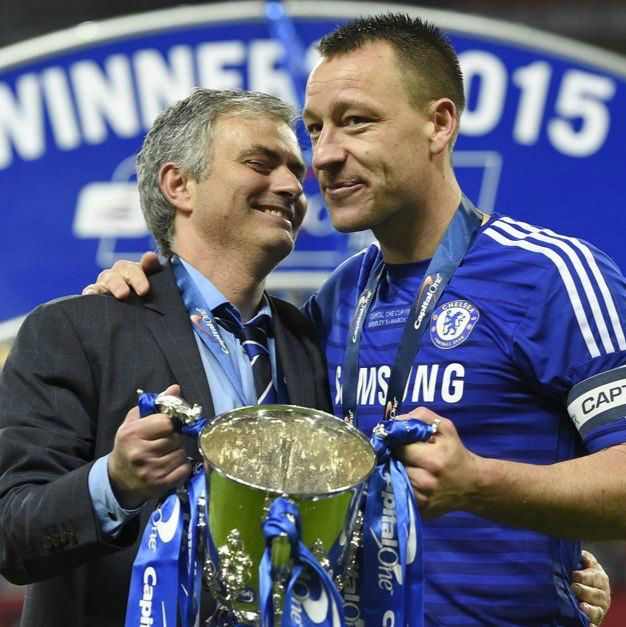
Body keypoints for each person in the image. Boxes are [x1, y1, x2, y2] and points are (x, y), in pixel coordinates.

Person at [89, 13, 625, 626]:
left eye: (356, 121)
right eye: (316, 128)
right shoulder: (335, 302)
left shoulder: (550, 276)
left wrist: (480, 483)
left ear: (439, 124)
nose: (324, 155)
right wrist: (149, 284)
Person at [0, 88, 331, 627]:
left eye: (296, 170)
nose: (293, 186)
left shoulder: (308, 341)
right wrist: (114, 484)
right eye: (260, 163)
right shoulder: (76, 329)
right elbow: (12, 536)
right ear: (179, 185)